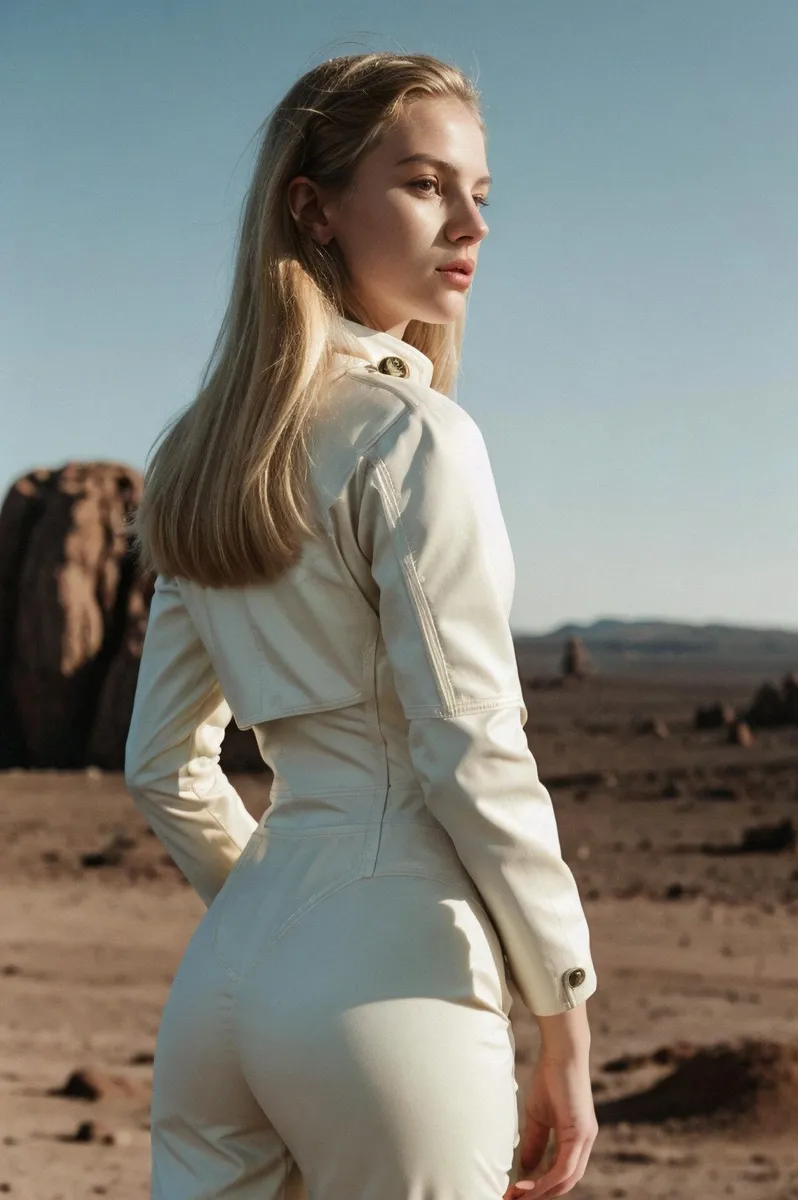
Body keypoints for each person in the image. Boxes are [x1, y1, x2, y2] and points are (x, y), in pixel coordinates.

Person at [124, 50, 599, 1200]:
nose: (467, 224)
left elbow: (159, 766)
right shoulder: (414, 436)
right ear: (313, 205)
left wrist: (272, 920)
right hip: (393, 979)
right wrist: (565, 1017)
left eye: (479, 194)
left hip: (223, 990)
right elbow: (470, 744)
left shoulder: (202, 460)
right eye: (425, 185)